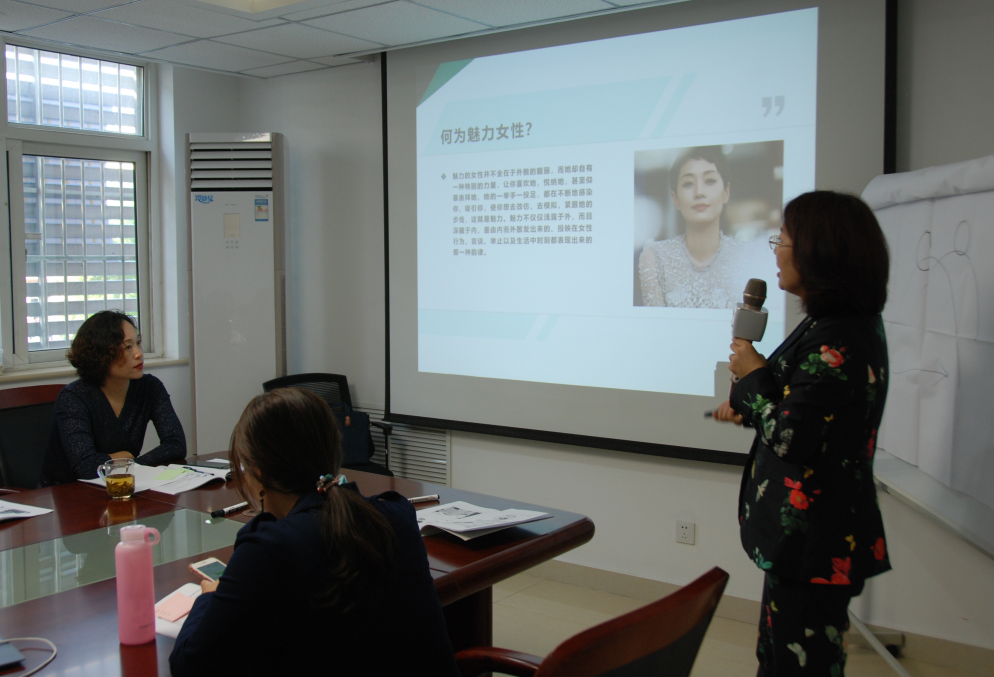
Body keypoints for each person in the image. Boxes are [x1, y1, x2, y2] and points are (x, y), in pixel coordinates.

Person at [713, 191, 891, 676]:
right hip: (805, 538)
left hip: (816, 538)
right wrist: (754, 402)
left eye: (784, 240)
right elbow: (806, 413)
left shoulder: (839, 337)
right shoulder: (833, 324)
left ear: (820, 252)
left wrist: (753, 377)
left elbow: (793, 439)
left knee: (800, 666)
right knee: (778, 659)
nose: (776, 251)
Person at [169, 388, 459, 677]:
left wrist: (207, 599)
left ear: (259, 473)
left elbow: (191, 666)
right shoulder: (397, 515)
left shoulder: (268, 550)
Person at [40, 310, 186, 486]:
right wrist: (126, 460)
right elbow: (85, 467)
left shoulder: (149, 387)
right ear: (101, 355)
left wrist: (131, 463)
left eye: (138, 343)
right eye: (128, 347)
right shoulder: (74, 397)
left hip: (121, 487)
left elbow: (176, 445)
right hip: (70, 493)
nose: (139, 353)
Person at [638, 146, 745, 308]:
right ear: (676, 199)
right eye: (688, 183)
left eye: (710, 181)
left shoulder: (746, 257)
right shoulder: (655, 258)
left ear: (726, 192)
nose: (699, 192)